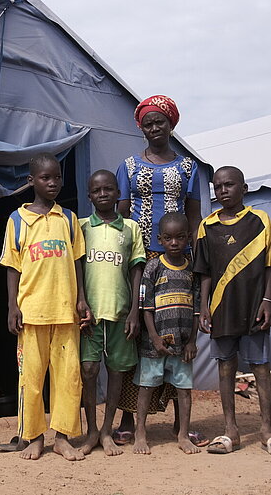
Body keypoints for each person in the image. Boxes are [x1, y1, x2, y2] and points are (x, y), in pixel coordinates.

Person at [114, 95, 208, 448]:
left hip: (176, 259)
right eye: (148, 123)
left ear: (171, 125)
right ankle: (127, 417)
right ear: (141, 126)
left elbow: (195, 216)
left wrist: (196, 259)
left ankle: (179, 424)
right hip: (139, 258)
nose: (155, 128)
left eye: (161, 122)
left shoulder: (187, 167)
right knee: (136, 333)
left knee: (177, 331)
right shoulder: (128, 165)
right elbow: (122, 212)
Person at [0, 152, 89, 461]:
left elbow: (77, 262)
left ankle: (62, 438)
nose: (53, 183)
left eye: (57, 177)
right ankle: (34, 437)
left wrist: (81, 299)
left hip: (66, 312)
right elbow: (13, 267)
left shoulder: (69, 218)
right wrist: (13, 307)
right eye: (45, 177)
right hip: (32, 312)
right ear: (31, 181)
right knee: (31, 380)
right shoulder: (17, 220)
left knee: (67, 379)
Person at [195, 166, 271, 454]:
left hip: (253, 306)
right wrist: (203, 306)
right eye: (218, 186)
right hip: (220, 308)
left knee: (261, 368)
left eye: (229, 184)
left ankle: (266, 430)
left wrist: (267, 302)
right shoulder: (207, 226)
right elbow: (204, 272)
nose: (223, 190)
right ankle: (231, 432)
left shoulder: (260, 220)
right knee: (225, 368)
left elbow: (268, 266)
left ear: (244, 188)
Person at [78, 170, 146, 456]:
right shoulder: (80, 227)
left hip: (120, 313)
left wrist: (135, 312)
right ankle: (91, 430)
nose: (103, 194)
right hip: (89, 316)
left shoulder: (130, 228)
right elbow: (77, 267)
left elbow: (137, 271)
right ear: (89, 195)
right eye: (97, 190)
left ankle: (107, 430)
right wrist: (81, 301)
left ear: (119, 194)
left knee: (116, 372)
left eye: (109, 189)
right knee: (89, 370)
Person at [133, 212, 200, 455]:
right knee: (146, 386)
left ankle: (183, 434)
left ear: (188, 238)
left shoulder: (192, 268)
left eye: (180, 238)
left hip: (182, 345)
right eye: (169, 238)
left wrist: (193, 340)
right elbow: (146, 307)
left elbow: (195, 309)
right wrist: (153, 337)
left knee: (184, 389)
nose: (174, 243)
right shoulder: (153, 266)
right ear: (160, 239)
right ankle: (140, 432)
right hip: (155, 343)